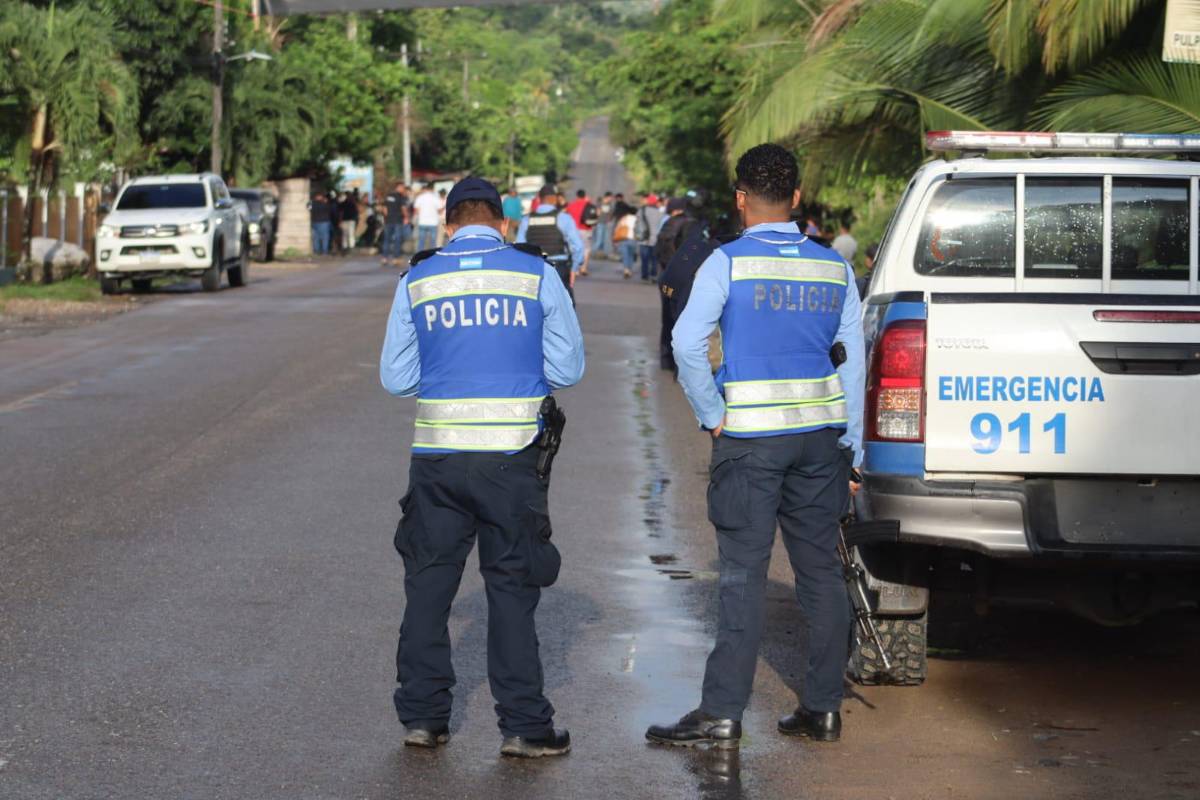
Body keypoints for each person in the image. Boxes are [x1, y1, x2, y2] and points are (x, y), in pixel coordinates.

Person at [646, 143, 865, 750]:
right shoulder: (834, 267)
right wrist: (852, 448)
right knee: (819, 571)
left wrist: (713, 415)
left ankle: (721, 714)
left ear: (742, 199)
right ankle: (823, 709)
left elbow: (688, 345)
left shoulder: (728, 263)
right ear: (796, 198)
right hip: (821, 440)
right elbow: (853, 367)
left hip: (750, 439)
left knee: (743, 575)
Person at [380, 176, 584, 759]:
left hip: (438, 456)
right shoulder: (537, 273)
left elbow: (396, 378)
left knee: (428, 588)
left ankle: (422, 719)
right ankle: (524, 727)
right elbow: (567, 369)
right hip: (512, 458)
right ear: (502, 223)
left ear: (447, 225)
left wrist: (449, 377)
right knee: (512, 589)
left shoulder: (417, 277)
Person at [655, 194, 705, 372]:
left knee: (667, 318)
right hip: (684, 279)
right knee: (681, 319)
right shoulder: (692, 224)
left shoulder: (670, 222)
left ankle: (665, 359)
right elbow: (692, 253)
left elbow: (657, 248)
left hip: (666, 275)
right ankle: (679, 365)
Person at [517, 185, 585, 299]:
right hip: (558, 268)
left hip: (534, 268)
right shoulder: (563, 218)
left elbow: (519, 247)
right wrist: (574, 268)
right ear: (554, 199)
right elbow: (578, 247)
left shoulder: (527, 220)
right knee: (565, 309)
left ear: (539, 199)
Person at [565, 190, 597, 277]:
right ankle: (584, 268)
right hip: (586, 229)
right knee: (586, 249)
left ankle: (575, 269)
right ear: (585, 195)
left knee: (574, 249)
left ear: (577, 196)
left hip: (573, 231)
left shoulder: (571, 205)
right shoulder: (588, 205)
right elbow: (595, 214)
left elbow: (566, 215)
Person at [635, 193, 664, 283]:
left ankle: (644, 277)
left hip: (644, 238)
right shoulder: (660, 213)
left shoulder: (642, 211)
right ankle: (654, 276)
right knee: (654, 259)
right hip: (655, 239)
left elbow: (637, 223)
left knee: (644, 259)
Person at [381, 182, 409, 267]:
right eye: (403, 188)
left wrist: (386, 217)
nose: (404, 189)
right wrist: (406, 217)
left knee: (387, 240)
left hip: (388, 221)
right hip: (397, 221)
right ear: (399, 187)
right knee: (397, 240)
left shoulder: (388, 196)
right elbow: (403, 208)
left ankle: (384, 258)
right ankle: (395, 259)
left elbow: (384, 209)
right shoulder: (401, 197)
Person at [413, 184, 441, 252]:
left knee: (421, 240)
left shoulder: (420, 197)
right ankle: (433, 256)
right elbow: (439, 210)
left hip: (422, 221)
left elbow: (416, 209)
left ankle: (419, 256)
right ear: (432, 189)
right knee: (433, 241)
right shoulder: (435, 198)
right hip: (433, 222)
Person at [591, 192, 614, 260]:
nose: (611, 199)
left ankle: (602, 255)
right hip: (600, 223)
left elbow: (610, 214)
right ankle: (591, 252)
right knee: (599, 240)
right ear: (607, 197)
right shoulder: (600, 203)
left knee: (604, 240)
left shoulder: (609, 205)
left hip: (606, 223)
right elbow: (597, 213)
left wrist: (609, 218)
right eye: (611, 197)